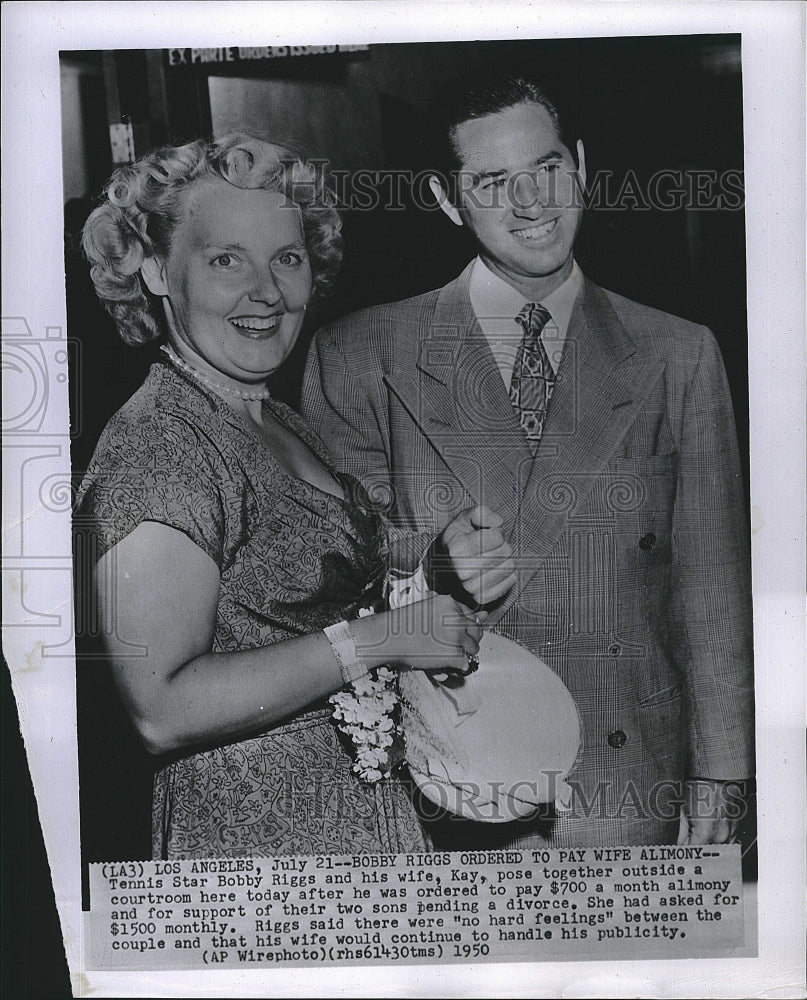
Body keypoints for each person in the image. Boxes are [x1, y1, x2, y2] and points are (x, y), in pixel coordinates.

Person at [302, 75, 754, 848]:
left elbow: (709, 581)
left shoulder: (678, 352)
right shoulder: (360, 357)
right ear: (449, 201)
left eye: (545, 168)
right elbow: (323, 586)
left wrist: (723, 769)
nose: (530, 202)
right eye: (491, 181)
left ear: (578, 164)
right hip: (452, 774)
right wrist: (430, 569)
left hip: (629, 778)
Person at [74, 133, 516, 859]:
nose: (267, 292)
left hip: (356, 823)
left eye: (286, 258)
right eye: (225, 260)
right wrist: (383, 640)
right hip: (251, 843)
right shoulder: (160, 446)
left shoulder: (269, 414)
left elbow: (302, 605)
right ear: (156, 270)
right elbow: (160, 706)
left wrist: (434, 571)